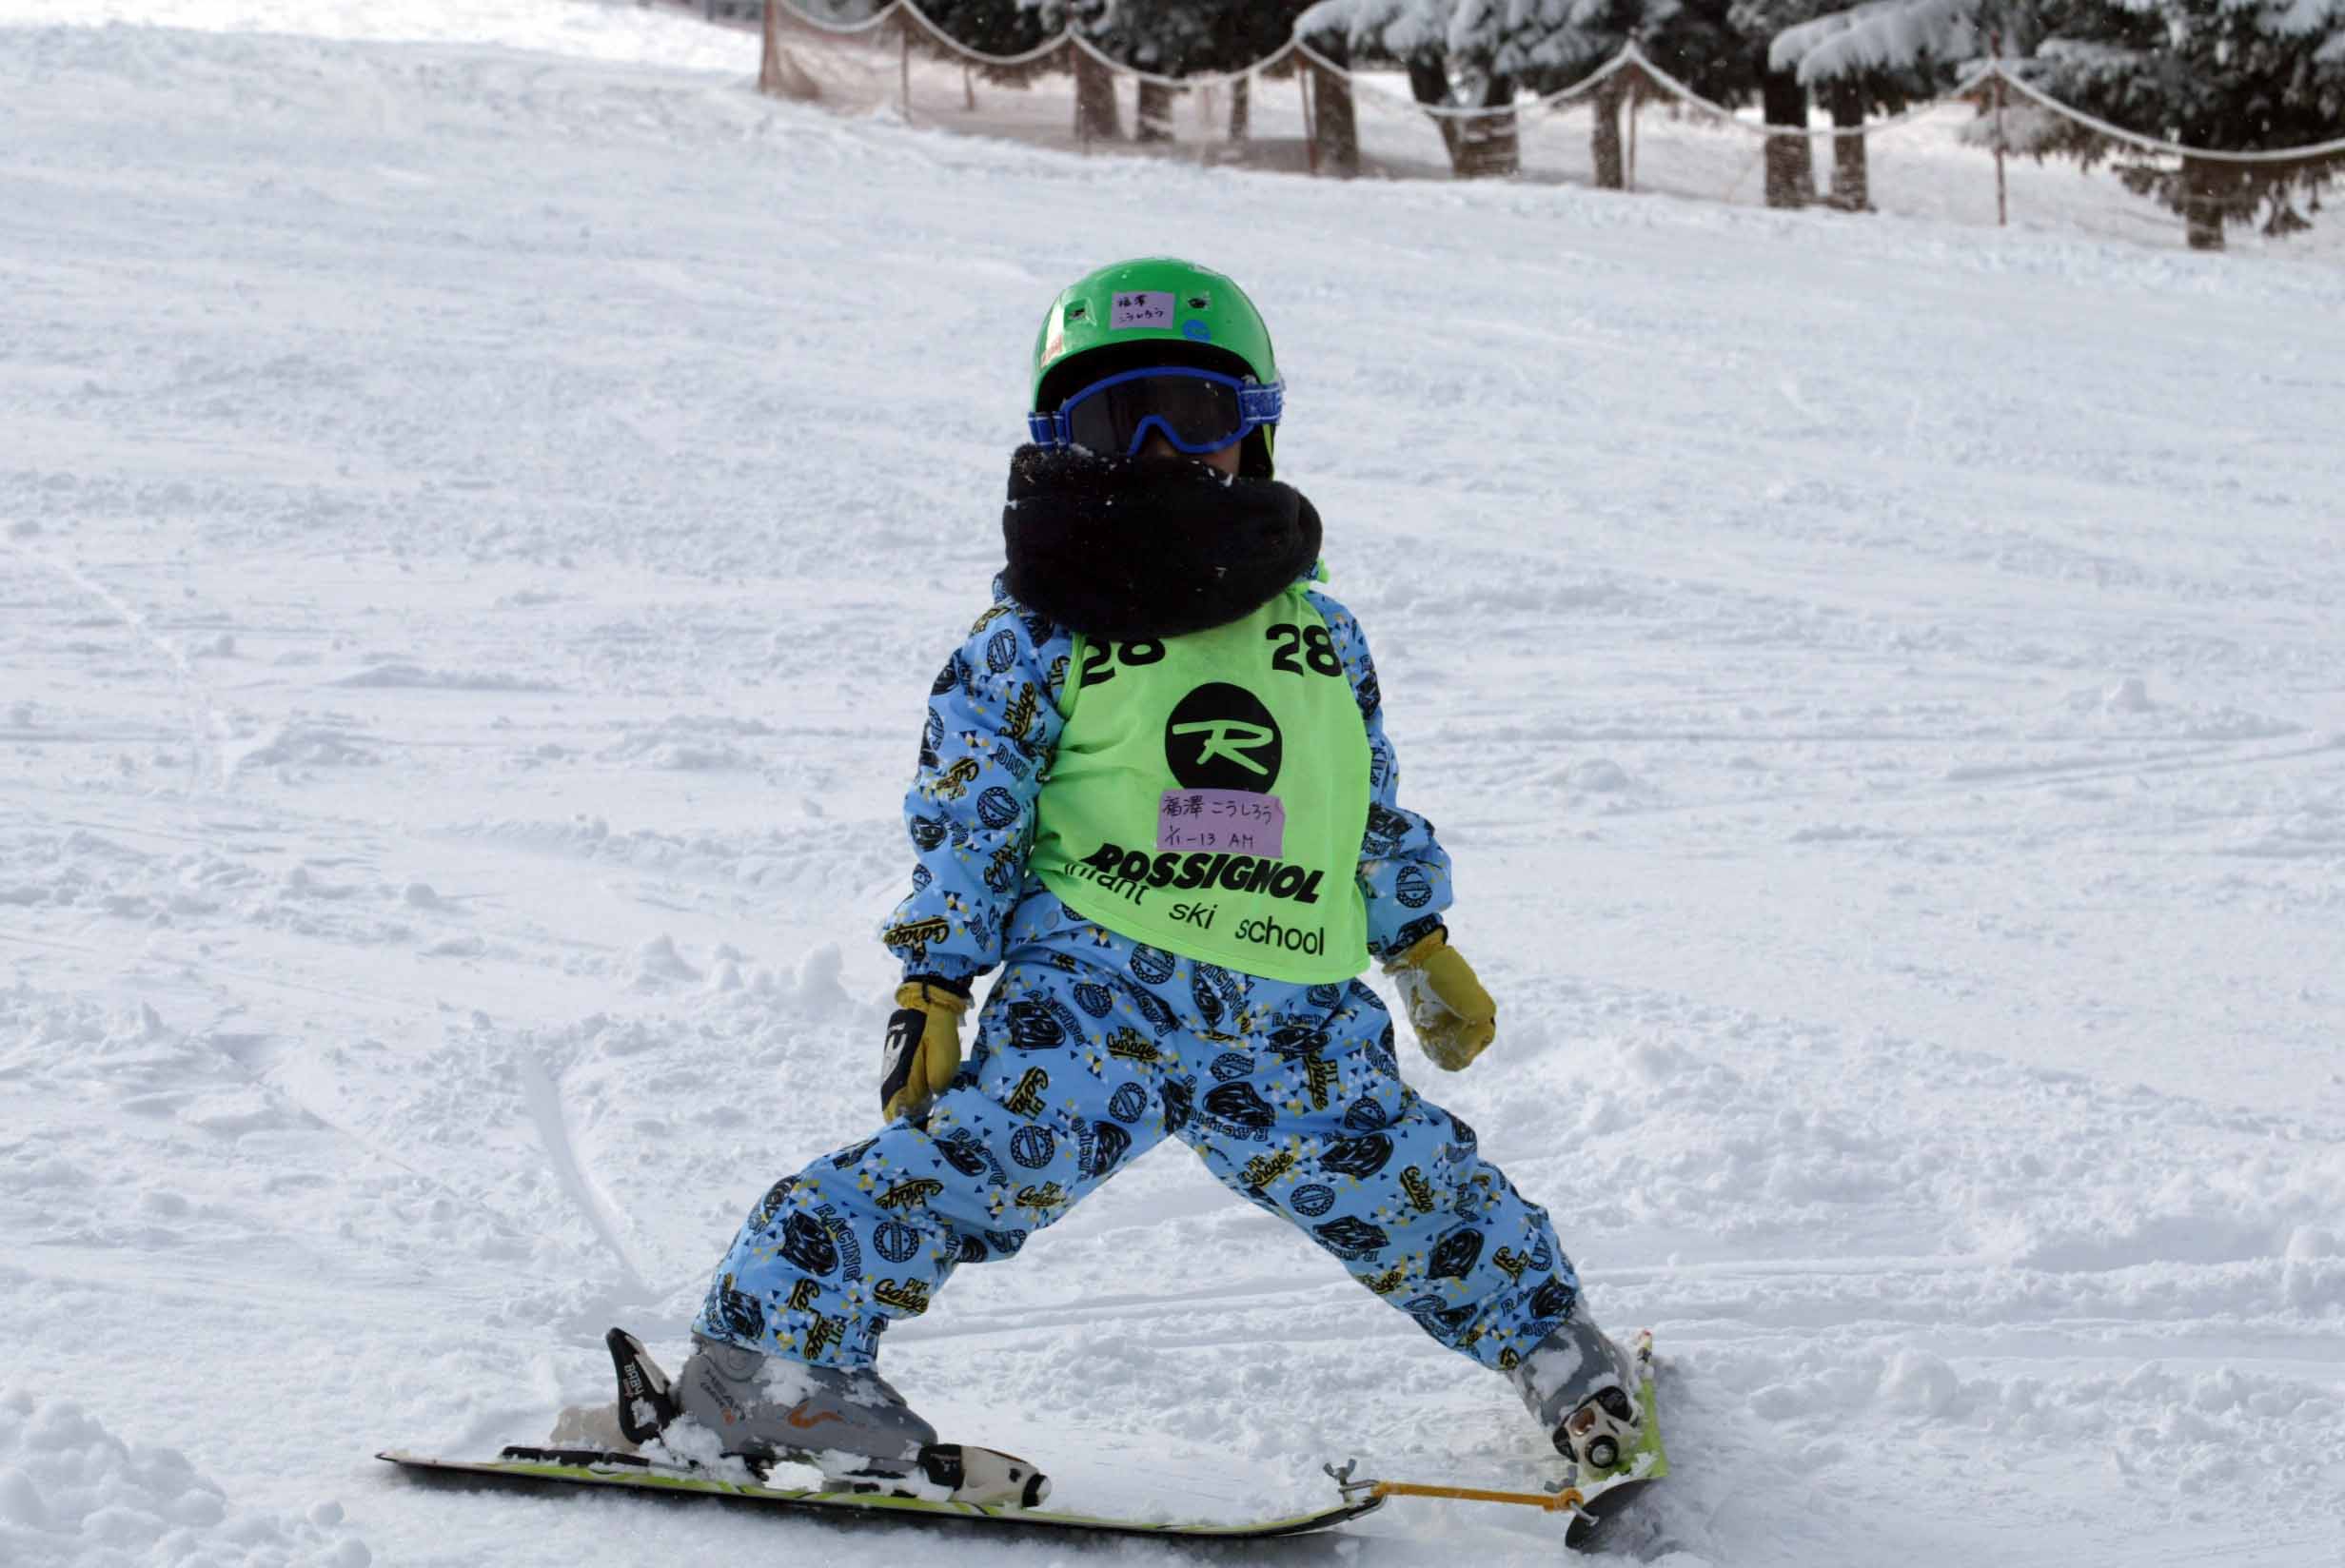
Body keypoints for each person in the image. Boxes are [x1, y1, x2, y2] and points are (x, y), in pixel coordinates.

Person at [645, 258, 1644, 1492]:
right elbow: (969, 811)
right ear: (1061, 446)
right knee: (969, 1170)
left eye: (1198, 413)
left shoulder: (1321, 634)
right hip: (1096, 996)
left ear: (1255, 430)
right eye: (1120, 422)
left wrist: (1417, 941)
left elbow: (1358, 800)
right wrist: (936, 981)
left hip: (1290, 1006)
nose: (1164, 452)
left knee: (1413, 1189)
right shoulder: (1036, 634)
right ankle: (766, 1368)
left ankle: (1562, 1359)